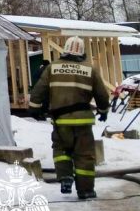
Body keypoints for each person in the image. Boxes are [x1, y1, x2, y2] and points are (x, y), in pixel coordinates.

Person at [29, 36, 109, 199]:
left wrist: (34, 109)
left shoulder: (52, 68)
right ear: (81, 51)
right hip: (83, 122)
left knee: (61, 150)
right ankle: (86, 190)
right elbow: (102, 94)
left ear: (65, 49)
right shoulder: (89, 70)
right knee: (84, 155)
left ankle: (65, 178)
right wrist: (103, 110)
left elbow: (39, 90)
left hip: (61, 121)